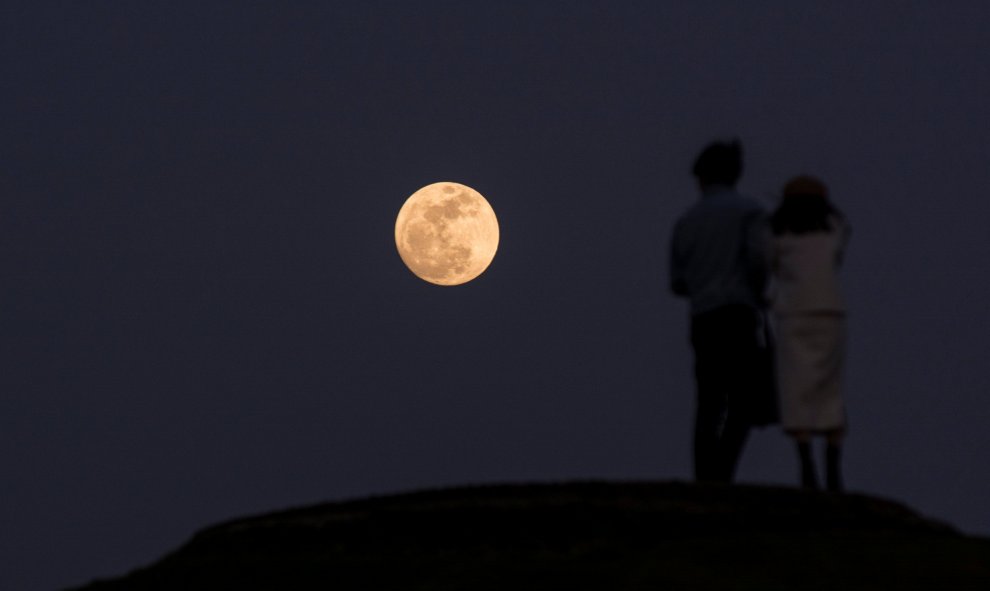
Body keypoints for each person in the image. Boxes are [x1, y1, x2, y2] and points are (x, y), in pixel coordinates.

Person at [670, 140, 774, 483]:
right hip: (738, 312)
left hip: (702, 317)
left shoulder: (686, 222)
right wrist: (760, 293)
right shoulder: (751, 212)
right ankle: (723, 476)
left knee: (708, 400)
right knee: (742, 400)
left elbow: (677, 281)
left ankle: (704, 479)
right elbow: (760, 261)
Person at [769, 175, 850, 492]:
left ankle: (806, 464)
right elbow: (842, 236)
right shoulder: (832, 234)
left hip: (793, 312)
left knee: (796, 389)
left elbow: (767, 264)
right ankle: (833, 463)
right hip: (830, 311)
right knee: (830, 388)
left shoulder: (778, 236)